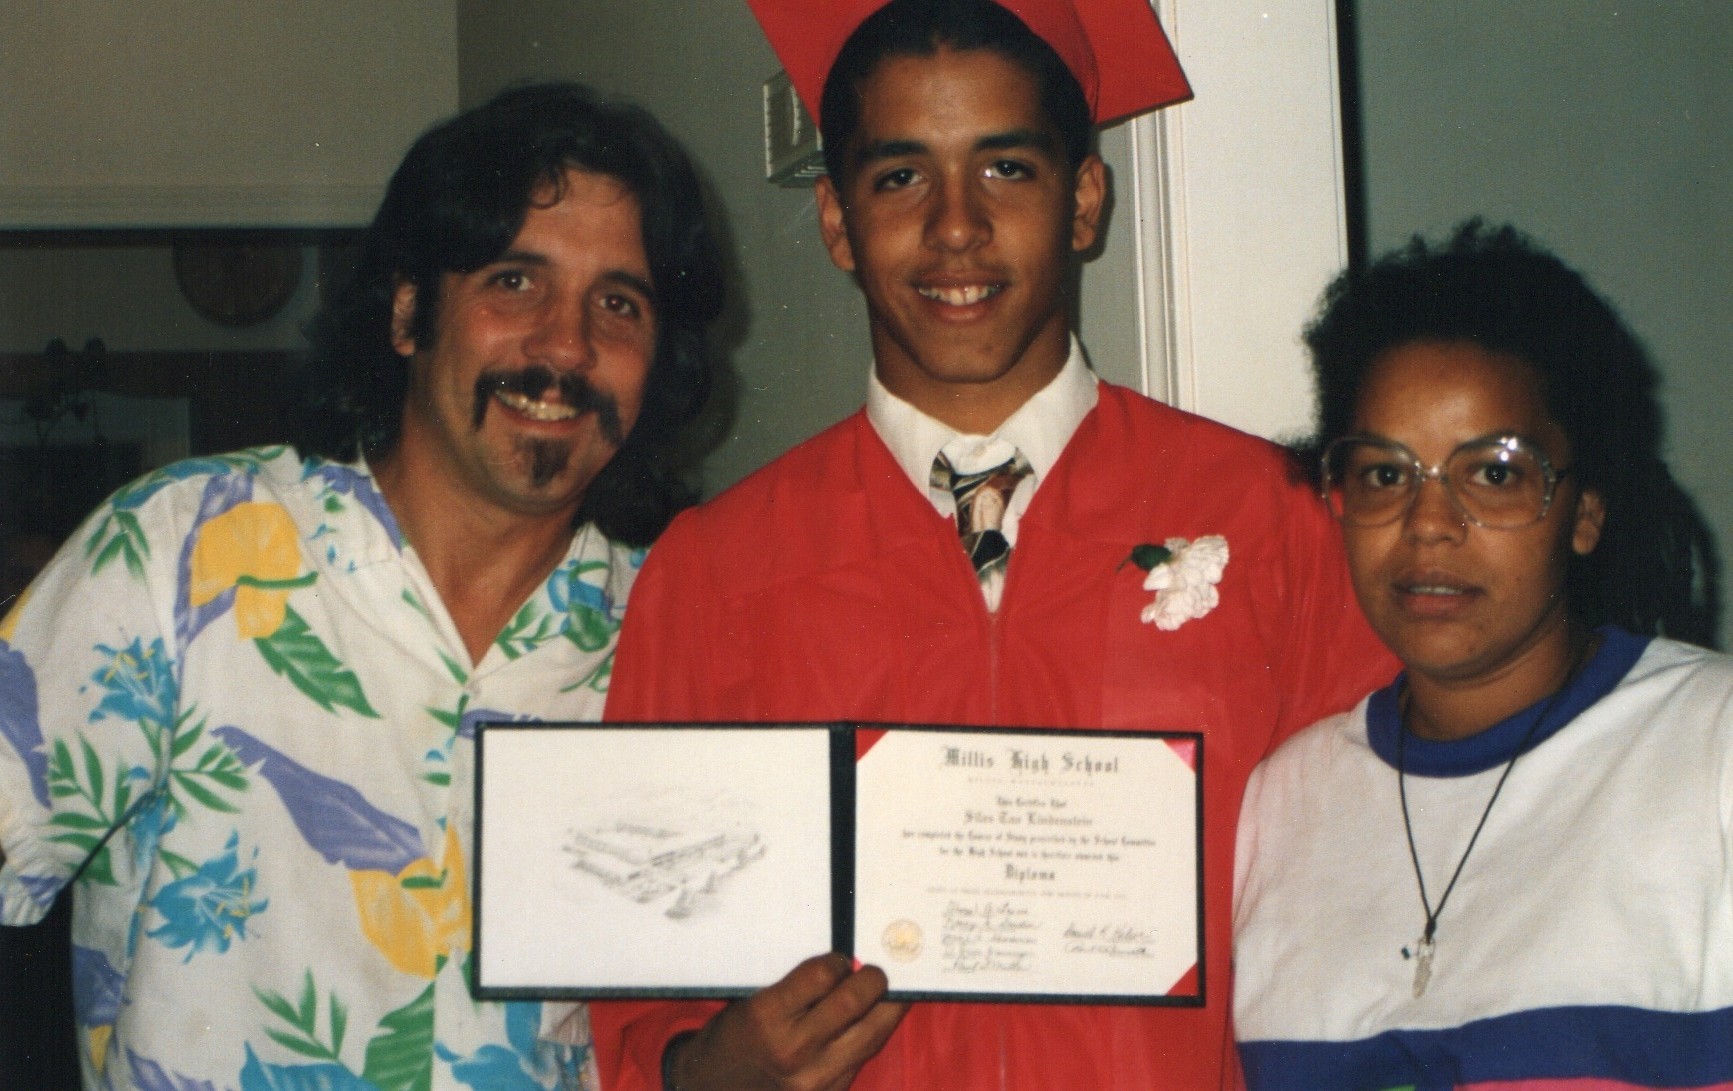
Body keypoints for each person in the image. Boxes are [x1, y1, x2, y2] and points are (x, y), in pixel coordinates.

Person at [590, 1, 1395, 1087]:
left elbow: (1378, 892)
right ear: (835, 222)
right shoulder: (715, 570)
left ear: (1084, 200)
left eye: (1006, 170)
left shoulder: (1274, 517)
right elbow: (639, 993)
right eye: (899, 177)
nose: (955, 226)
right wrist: (705, 1071)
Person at [0, 82, 724, 1090]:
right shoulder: (180, 550)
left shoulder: (682, 629)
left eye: (617, 302)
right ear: (406, 312)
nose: (564, 346)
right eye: (515, 281)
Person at [1232, 221, 1731, 1088]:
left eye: (1493, 471)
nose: (1428, 522)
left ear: (1583, 511)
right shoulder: (1278, 803)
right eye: (1385, 472)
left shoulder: (1708, 746)